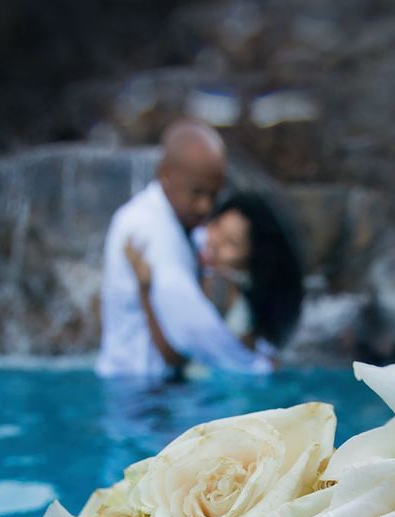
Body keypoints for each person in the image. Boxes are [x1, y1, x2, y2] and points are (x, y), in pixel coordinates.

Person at [96, 119, 273, 378]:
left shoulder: (182, 224)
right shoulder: (148, 228)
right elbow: (191, 331)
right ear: (165, 174)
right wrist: (252, 365)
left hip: (149, 380)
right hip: (136, 384)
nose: (205, 206)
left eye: (213, 195)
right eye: (197, 193)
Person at [123, 190, 304, 371]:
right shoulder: (238, 293)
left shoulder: (220, 287)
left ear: (250, 259)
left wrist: (144, 289)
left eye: (230, 243)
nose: (215, 242)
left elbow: (174, 357)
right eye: (216, 225)